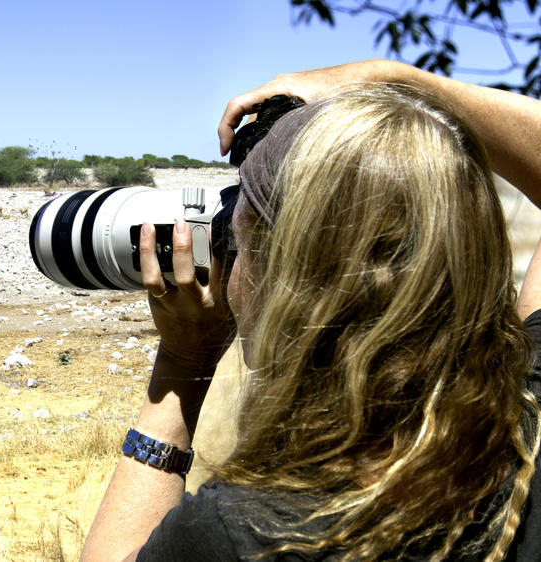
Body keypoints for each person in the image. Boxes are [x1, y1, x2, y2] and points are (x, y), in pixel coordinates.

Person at [81, 59, 541, 561]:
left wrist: (182, 364)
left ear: (282, 282)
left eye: (239, 243)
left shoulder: (253, 530)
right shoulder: (525, 420)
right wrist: (394, 79)